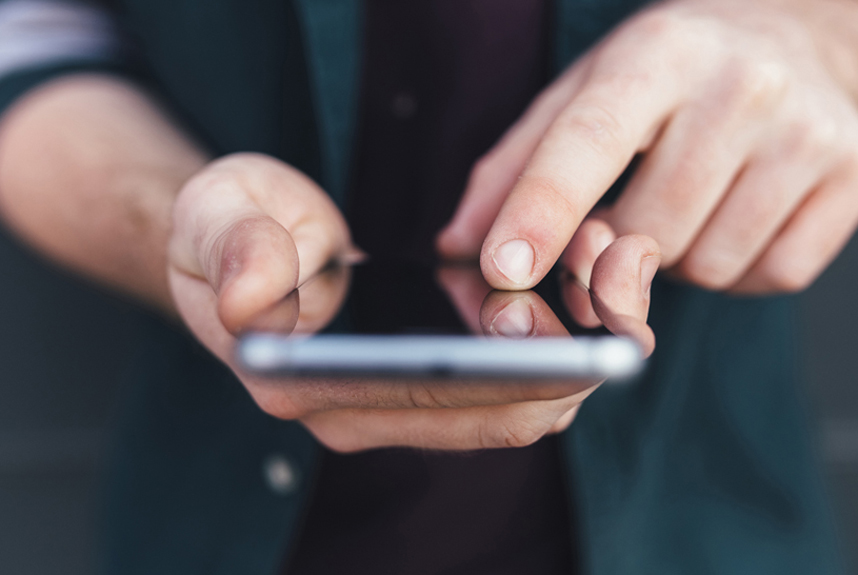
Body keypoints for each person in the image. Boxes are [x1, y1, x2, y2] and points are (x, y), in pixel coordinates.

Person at [0, 0, 852, 573]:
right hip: (213, 524)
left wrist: (824, 39)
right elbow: (32, 34)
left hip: (705, 519)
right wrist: (181, 228)